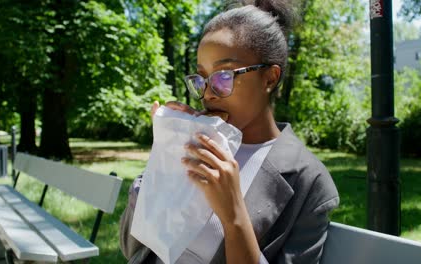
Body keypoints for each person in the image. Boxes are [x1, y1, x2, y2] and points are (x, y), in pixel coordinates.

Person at [120, 0, 339, 263]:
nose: (208, 94)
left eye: (224, 77)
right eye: (201, 79)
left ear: (270, 78)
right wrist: (164, 157)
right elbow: (132, 248)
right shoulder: (194, 141)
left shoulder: (309, 182)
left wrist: (233, 215)